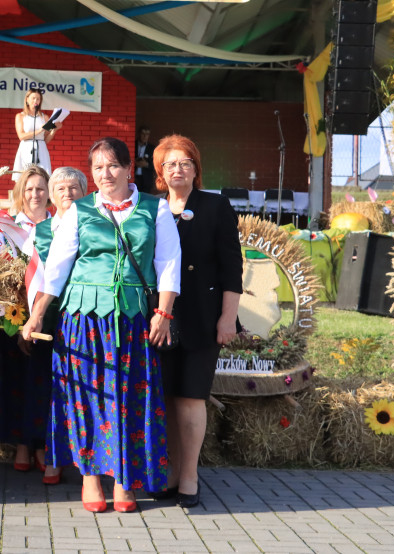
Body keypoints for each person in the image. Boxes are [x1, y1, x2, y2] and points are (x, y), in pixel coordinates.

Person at [22, 137, 180, 514]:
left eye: (112, 166)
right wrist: (38, 313)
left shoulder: (154, 209)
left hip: (133, 320)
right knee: (86, 399)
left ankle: (124, 479)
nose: (105, 174)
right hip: (83, 320)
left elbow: (169, 263)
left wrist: (163, 312)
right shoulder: (79, 210)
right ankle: (91, 477)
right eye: (97, 168)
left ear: (129, 168)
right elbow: (57, 268)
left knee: (129, 399)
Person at [152, 134, 242, 509]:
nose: (178, 169)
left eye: (185, 163)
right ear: (159, 172)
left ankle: (189, 476)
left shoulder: (216, 206)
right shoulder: (151, 208)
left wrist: (228, 318)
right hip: (159, 319)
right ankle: (171, 472)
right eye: (170, 164)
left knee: (190, 398)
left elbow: (232, 268)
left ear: (196, 169)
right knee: (168, 399)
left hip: (203, 318)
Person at [0, 166, 86, 484]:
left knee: (49, 383)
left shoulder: (71, 225)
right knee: (24, 380)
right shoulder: (10, 227)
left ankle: (47, 446)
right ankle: (24, 445)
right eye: (29, 188)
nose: (35, 194)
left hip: (63, 315)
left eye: (41, 188)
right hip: (20, 316)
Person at [12, 89, 58, 181]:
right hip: (26, 147)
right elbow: (21, 136)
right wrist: (39, 130)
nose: (35, 101)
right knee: (25, 176)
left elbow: (46, 139)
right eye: (33, 98)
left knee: (43, 176)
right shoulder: (20, 116)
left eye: (38, 99)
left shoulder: (44, 117)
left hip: (41, 148)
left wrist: (55, 129)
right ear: (27, 100)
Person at [11, 164, 51, 231]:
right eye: (29, 189)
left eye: (40, 189)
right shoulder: (7, 227)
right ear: (21, 193)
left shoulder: (59, 228)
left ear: (49, 192)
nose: (35, 195)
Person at [135, 126, 155, 194]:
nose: (144, 136)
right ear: (139, 134)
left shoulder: (152, 148)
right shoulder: (133, 145)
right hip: (134, 178)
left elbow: (156, 164)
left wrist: (147, 164)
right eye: (143, 134)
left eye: (147, 134)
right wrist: (135, 162)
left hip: (146, 180)